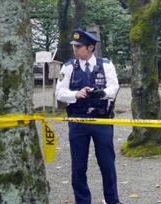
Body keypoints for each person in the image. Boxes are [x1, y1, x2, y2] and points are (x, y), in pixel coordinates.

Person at [55, 29, 121, 204]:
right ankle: (82, 201)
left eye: (79, 46)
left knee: (107, 164)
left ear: (90, 47)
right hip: (77, 121)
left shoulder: (106, 64)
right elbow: (59, 93)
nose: (75, 50)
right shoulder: (68, 67)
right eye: (74, 46)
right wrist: (76, 94)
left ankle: (112, 200)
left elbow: (114, 88)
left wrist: (101, 93)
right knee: (79, 166)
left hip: (102, 120)